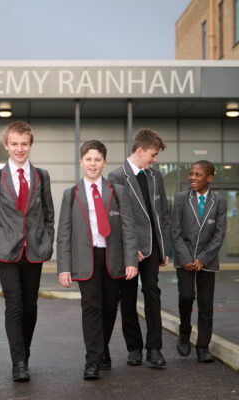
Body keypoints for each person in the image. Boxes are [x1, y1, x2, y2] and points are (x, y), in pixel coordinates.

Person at [57, 140, 138, 380]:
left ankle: (102, 350)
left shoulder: (117, 191)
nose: (93, 164)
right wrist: (64, 268)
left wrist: (131, 260)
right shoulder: (70, 194)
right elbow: (64, 234)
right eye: (88, 159)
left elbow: (128, 228)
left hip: (112, 257)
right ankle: (92, 359)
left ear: (104, 162)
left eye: (98, 159)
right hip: (85, 258)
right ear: (81, 161)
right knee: (91, 307)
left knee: (110, 307)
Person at [0, 121, 55, 382]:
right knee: (14, 304)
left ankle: (25, 352)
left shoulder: (42, 176)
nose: (19, 149)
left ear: (30, 145)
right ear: (6, 145)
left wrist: (47, 242)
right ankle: (18, 362)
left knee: (30, 307)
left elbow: (49, 215)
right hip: (6, 252)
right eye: (14, 144)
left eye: (24, 144)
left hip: (34, 251)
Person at [108, 128, 170, 368]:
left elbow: (163, 213)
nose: (155, 160)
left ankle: (154, 348)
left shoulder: (155, 177)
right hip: (129, 250)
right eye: (153, 155)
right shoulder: (116, 177)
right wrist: (129, 248)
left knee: (152, 294)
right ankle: (134, 348)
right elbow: (115, 219)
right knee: (128, 298)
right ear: (140, 150)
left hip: (153, 248)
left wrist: (164, 247)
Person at [171, 160, 226, 363]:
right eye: (191, 174)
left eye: (197, 175)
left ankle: (203, 346)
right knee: (186, 296)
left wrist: (203, 258)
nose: (192, 178)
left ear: (209, 178)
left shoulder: (219, 202)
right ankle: (184, 332)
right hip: (184, 258)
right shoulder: (180, 199)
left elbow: (219, 235)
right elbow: (175, 232)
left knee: (206, 305)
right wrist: (186, 259)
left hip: (207, 260)